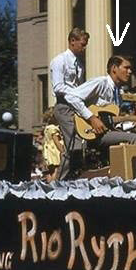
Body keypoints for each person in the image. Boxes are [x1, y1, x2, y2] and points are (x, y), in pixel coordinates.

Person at [64, 55, 136, 160]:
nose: (130, 72)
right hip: (92, 133)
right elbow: (71, 97)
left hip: (107, 132)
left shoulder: (118, 93)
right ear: (114, 68)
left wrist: (133, 124)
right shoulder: (101, 83)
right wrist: (92, 118)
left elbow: (113, 122)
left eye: (130, 68)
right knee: (135, 138)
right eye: (126, 68)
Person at [49, 27, 89, 178]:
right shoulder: (60, 61)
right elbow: (58, 87)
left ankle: (74, 177)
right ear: (72, 41)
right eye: (82, 44)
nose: (84, 48)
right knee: (74, 144)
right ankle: (60, 181)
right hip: (64, 106)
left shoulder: (79, 63)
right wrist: (78, 94)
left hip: (77, 106)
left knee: (82, 143)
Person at [42, 108, 64, 182]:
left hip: (48, 151)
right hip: (54, 151)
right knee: (56, 169)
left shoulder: (47, 128)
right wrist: (62, 150)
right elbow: (56, 141)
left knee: (50, 171)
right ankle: (54, 185)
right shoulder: (53, 128)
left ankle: (49, 185)